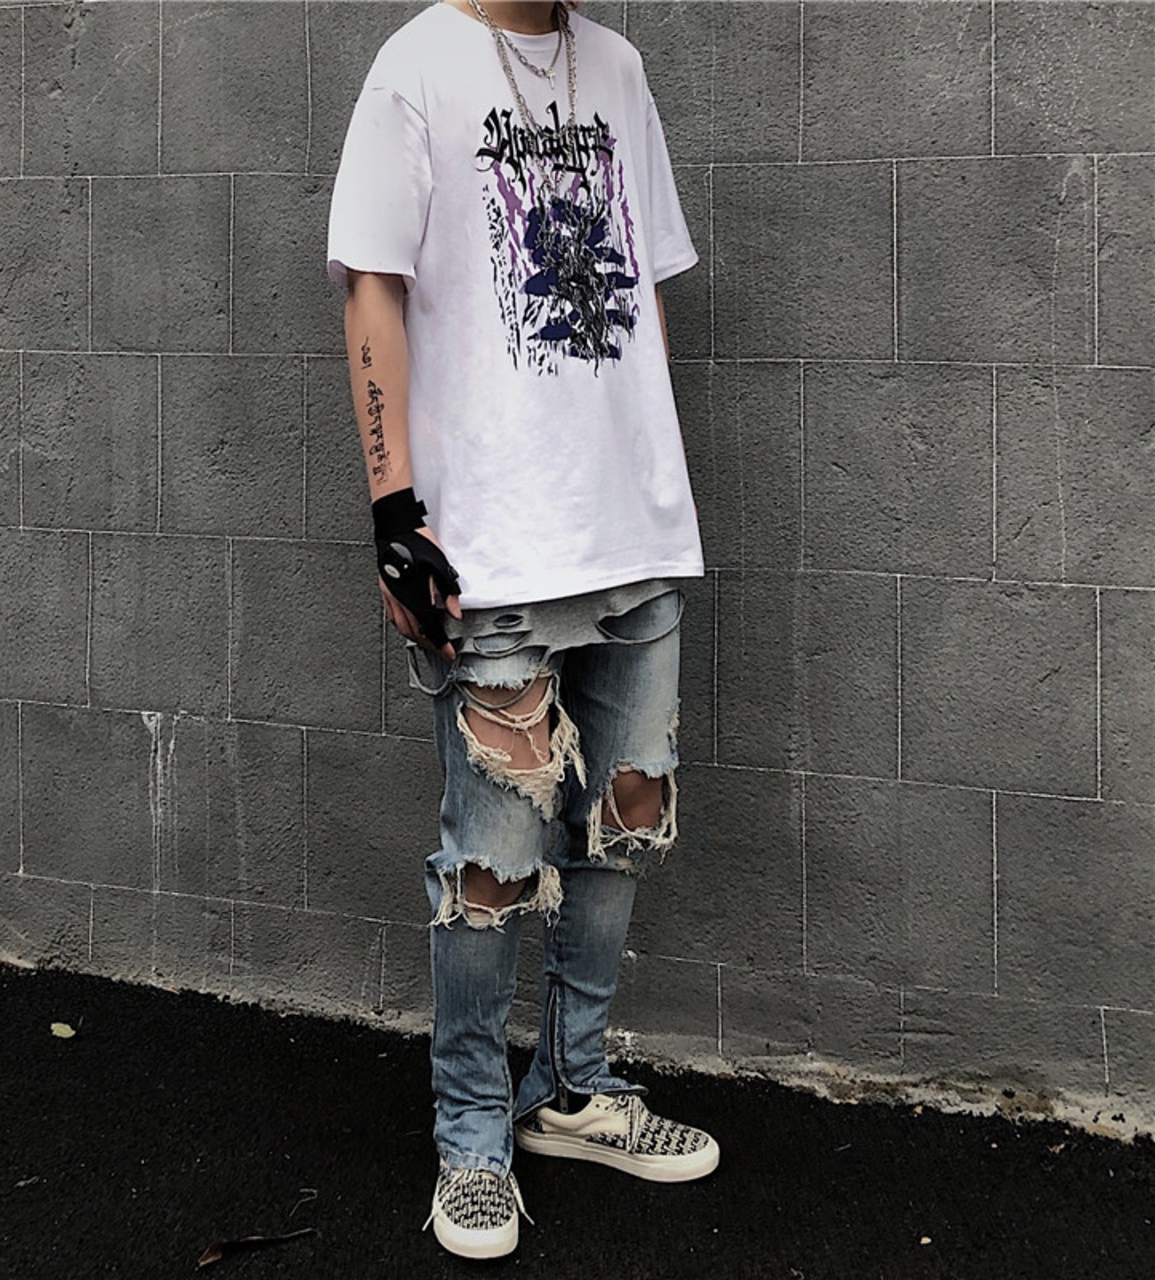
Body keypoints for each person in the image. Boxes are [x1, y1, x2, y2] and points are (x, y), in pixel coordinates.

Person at [328, 0, 718, 1259]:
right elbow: (371, 286)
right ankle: (470, 1133)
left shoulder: (619, 69)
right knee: (491, 861)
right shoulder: (413, 68)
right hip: (491, 549)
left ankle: (572, 1088)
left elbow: (640, 285)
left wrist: (651, 472)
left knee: (623, 819)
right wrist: (394, 509)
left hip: (628, 535)